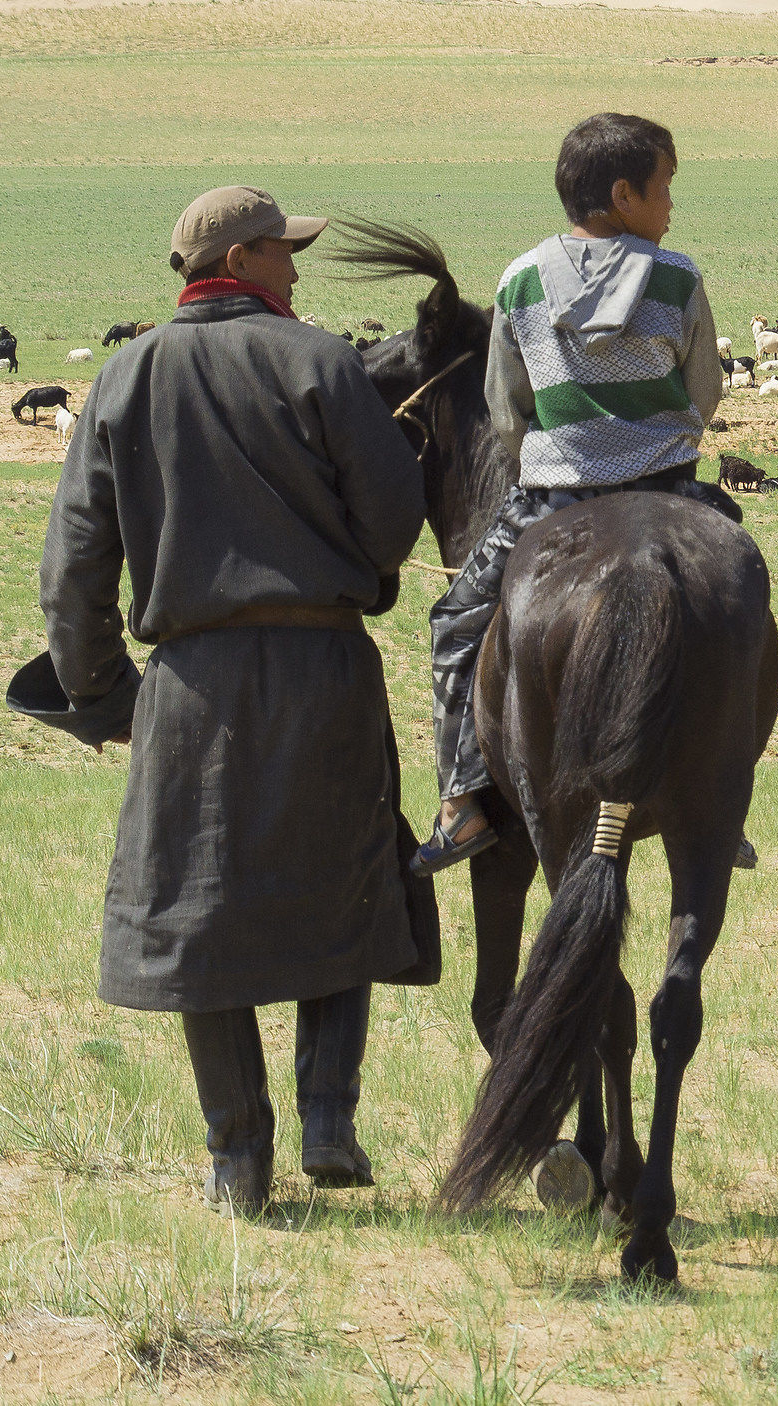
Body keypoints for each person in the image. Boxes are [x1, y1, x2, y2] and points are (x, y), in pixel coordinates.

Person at [39, 185, 434, 1216]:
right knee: (342, 876)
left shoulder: (124, 377)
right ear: (244, 259)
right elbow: (394, 520)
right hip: (323, 666)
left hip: (191, 683)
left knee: (194, 914)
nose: (298, 270)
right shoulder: (323, 362)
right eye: (285, 251)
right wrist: (351, 566)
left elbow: (77, 561)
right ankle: (327, 1115)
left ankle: (237, 1159)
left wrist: (101, 693)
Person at [413, 112, 730, 873]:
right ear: (624, 194)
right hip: (668, 492)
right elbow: (706, 392)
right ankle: (722, 794)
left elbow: (504, 408)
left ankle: (463, 802)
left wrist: (553, 459)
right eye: (665, 189)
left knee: (458, 622)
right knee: (734, 603)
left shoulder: (519, 280)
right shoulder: (677, 276)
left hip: (554, 502)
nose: (671, 208)